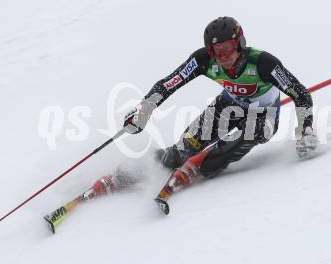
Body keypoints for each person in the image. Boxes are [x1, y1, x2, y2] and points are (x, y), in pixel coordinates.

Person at [122, 16, 318, 213]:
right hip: (228, 106)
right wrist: (143, 110)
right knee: (179, 153)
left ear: (240, 43)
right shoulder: (203, 61)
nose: (222, 56)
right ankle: (137, 170)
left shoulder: (263, 63)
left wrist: (305, 128)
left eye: (227, 48)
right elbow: (169, 83)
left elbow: (300, 94)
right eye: (216, 51)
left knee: (251, 133)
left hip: (262, 115)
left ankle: (202, 164)